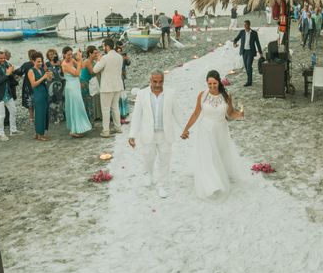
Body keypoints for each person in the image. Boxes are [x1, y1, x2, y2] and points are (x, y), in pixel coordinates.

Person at [180, 70, 245, 199]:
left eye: (214, 83)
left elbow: (230, 113)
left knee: (219, 154)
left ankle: (220, 174)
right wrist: (186, 129)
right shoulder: (202, 95)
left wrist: (239, 115)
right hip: (206, 129)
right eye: (209, 84)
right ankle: (211, 184)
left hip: (220, 129)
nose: (212, 86)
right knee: (208, 156)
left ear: (219, 82)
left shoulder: (226, 96)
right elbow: (196, 114)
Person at [128, 70, 180, 198]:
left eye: (160, 81)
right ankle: (148, 173)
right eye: (155, 81)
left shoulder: (171, 94)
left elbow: (177, 113)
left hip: (165, 134)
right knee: (148, 157)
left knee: (165, 160)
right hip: (148, 133)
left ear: (163, 80)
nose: (158, 84)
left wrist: (185, 129)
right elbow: (137, 115)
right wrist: (132, 134)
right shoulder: (142, 94)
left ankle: (161, 184)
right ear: (150, 81)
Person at [0, 51, 23, 141]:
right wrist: (7, 74)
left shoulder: (6, 65)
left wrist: (14, 76)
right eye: (0, 58)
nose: (3, 60)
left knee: (14, 111)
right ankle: (1, 134)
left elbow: (10, 78)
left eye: (4, 58)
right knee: (1, 116)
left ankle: (13, 130)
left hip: (7, 94)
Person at [93, 38, 124, 138]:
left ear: (107, 46)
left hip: (107, 87)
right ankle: (118, 127)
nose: (103, 48)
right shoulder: (119, 57)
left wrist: (98, 60)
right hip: (117, 85)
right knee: (115, 107)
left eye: (103, 46)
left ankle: (106, 131)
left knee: (105, 109)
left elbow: (95, 69)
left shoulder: (105, 58)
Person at [61, 46, 92, 138]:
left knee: (78, 106)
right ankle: (74, 130)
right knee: (75, 107)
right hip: (71, 87)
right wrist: (78, 62)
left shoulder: (71, 61)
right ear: (63, 54)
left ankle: (77, 128)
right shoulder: (64, 64)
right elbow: (77, 73)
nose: (70, 56)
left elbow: (81, 67)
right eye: (68, 54)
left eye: (71, 54)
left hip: (76, 85)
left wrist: (80, 58)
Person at [27, 51, 53, 141]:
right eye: (38, 61)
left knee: (45, 113)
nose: (40, 63)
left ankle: (40, 133)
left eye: (41, 61)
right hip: (38, 94)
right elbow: (33, 84)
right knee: (39, 114)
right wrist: (43, 78)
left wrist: (49, 77)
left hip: (44, 92)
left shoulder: (41, 69)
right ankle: (39, 134)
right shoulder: (31, 71)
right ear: (33, 61)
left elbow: (47, 81)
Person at [233, 20, 264, 87]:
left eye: (246, 25)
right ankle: (250, 78)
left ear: (249, 25)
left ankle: (249, 81)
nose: (245, 26)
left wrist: (260, 52)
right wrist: (234, 43)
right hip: (244, 51)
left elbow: (257, 43)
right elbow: (236, 39)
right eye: (244, 25)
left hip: (251, 51)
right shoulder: (242, 32)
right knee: (247, 67)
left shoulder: (254, 33)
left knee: (249, 65)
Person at [14, 49, 37, 124]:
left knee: (30, 103)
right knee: (38, 102)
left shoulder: (26, 64)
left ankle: (31, 119)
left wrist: (11, 70)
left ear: (29, 56)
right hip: (37, 83)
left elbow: (19, 72)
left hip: (28, 85)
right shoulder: (40, 63)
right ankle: (38, 117)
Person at [45, 48, 65, 124]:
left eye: (53, 54)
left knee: (60, 99)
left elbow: (63, 72)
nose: (52, 56)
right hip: (51, 84)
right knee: (51, 99)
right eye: (50, 54)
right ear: (47, 56)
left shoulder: (60, 62)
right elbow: (45, 74)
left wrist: (58, 64)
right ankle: (52, 116)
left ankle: (60, 116)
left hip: (60, 83)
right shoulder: (46, 64)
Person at [80, 45, 99, 122]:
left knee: (89, 101)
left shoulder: (92, 61)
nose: (96, 55)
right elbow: (92, 72)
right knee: (87, 102)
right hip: (84, 83)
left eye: (97, 53)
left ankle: (90, 119)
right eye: (95, 53)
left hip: (88, 82)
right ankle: (88, 121)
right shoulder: (87, 61)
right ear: (90, 54)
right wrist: (99, 62)